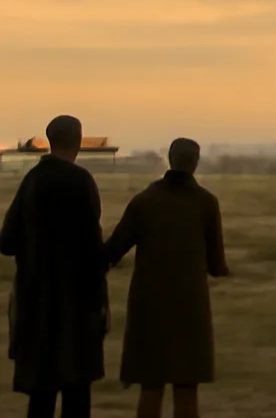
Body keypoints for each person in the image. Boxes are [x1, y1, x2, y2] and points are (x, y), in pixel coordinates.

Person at [104, 138, 229, 418]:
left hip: (149, 305)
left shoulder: (145, 201)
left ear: (170, 160)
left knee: (151, 386)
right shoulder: (206, 203)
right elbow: (217, 265)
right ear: (195, 163)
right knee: (186, 387)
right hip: (190, 306)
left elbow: (113, 250)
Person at [0, 115, 108, 418]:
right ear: (78, 141)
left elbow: (6, 242)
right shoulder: (81, 181)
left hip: (35, 303)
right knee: (77, 393)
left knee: (41, 394)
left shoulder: (32, 181)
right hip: (78, 304)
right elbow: (93, 247)